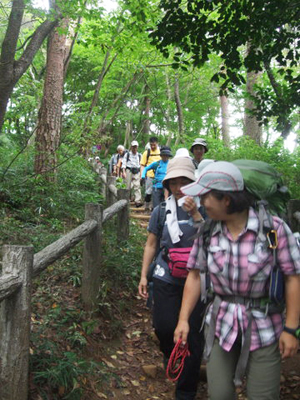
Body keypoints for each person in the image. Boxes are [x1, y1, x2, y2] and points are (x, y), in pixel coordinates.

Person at [174, 161, 300, 400]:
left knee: (262, 395)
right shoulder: (209, 231)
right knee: (219, 393)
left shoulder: (273, 230)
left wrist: (291, 329)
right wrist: (183, 320)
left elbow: (293, 277)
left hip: (265, 324)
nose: (201, 203)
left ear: (227, 200)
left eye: (205, 197)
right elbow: (194, 275)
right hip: (221, 322)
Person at [139, 156, 206, 400]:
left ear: (194, 183)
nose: (179, 188)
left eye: (184, 182)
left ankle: (186, 390)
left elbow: (212, 241)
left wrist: (197, 214)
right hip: (166, 275)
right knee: (164, 327)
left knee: (193, 335)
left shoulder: (207, 207)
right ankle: (173, 355)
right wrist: (144, 275)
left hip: (197, 278)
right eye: (174, 182)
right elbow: (151, 244)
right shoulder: (160, 210)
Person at [140, 136, 161, 212]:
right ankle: (146, 207)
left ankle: (154, 208)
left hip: (159, 176)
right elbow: (142, 165)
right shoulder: (147, 153)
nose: (152, 146)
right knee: (148, 191)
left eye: (154, 145)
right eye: (151, 145)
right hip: (149, 175)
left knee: (157, 192)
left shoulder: (161, 152)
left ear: (157, 144)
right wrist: (141, 175)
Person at [122, 140, 143, 207]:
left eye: (136, 147)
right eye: (133, 147)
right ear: (131, 147)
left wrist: (141, 173)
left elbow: (141, 164)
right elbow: (124, 163)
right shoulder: (127, 154)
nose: (134, 148)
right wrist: (124, 172)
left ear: (137, 147)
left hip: (137, 171)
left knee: (137, 186)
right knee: (127, 186)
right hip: (129, 170)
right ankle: (126, 199)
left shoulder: (139, 155)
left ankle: (137, 201)